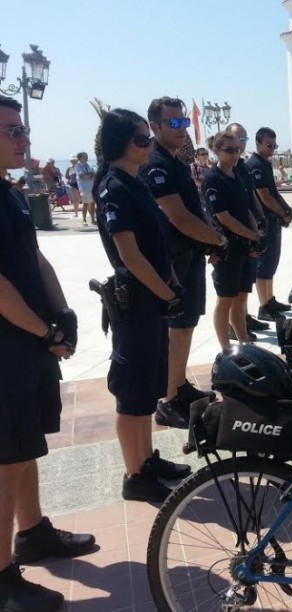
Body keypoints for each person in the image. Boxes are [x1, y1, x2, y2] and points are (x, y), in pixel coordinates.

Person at [0, 94, 95, 611]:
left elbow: (33, 258)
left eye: (22, 129)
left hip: (27, 342)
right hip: (7, 348)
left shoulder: (10, 193)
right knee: (4, 464)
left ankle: (32, 533)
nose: (25, 138)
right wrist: (42, 331)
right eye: (13, 130)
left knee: (23, 448)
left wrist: (62, 316)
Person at [94, 108, 193, 503]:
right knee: (131, 393)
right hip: (134, 303)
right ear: (121, 143)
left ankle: (147, 459)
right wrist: (167, 294)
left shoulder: (134, 183)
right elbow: (130, 256)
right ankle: (134, 474)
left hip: (152, 300)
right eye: (141, 139)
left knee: (147, 390)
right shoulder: (113, 186)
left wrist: (170, 284)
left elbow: (155, 246)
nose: (148, 144)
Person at [140, 97, 223, 428]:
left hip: (189, 256)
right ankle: (168, 399)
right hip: (173, 259)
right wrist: (220, 240)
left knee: (186, 325)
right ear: (155, 126)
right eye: (173, 123)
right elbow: (178, 217)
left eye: (183, 123)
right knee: (175, 330)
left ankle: (178, 384)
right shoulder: (156, 163)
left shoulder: (175, 161)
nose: (181, 129)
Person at [202, 131, 261, 350]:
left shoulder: (237, 175)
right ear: (216, 150)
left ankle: (243, 342)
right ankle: (226, 348)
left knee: (241, 298)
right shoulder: (212, 179)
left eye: (238, 149)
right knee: (225, 300)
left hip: (244, 246)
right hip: (226, 247)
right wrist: (252, 235)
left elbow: (246, 210)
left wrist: (256, 237)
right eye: (229, 150)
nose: (235, 154)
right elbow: (223, 218)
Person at [245, 127, 292, 319]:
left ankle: (269, 300)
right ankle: (264, 306)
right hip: (263, 220)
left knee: (271, 261)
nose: (272, 149)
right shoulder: (255, 165)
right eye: (268, 145)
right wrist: (282, 212)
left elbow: (273, 192)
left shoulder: (265, 164)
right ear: (257, 144)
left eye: (274, 145)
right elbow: (264, 196)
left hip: (272, 219)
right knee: (264, 264)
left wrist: (285, 209)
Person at [226, 122, 269, 336]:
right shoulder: (222, 172)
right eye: (236, 141)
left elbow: (251, 196)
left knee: (244, 288)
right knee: (231, 291)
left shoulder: (242, 167)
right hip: (234, 238)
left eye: (243, 140)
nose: (240, 145)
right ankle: (233, 327)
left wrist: (260, 220)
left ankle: (242, 319)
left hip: (249, 233)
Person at [76, 151, 96, 225]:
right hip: (84, 188)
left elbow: (94, 173)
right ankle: (84, 220)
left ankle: (93, 220)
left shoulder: (89, 165)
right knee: (85, 204)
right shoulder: (77, 166)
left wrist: (89, 174)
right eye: (84, 157)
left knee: (93, 203)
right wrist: (90, 174)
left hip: (92, 186)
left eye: (86, 156)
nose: (86, 158)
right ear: (80, 158)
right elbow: (82, 176)